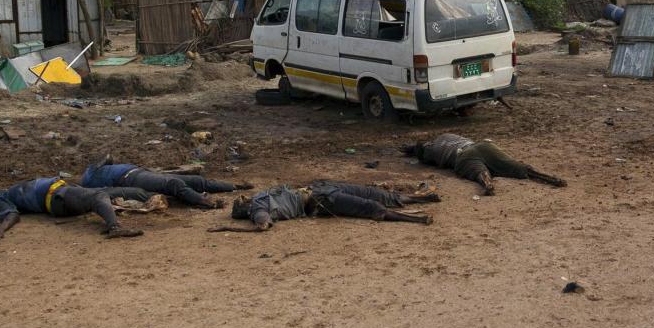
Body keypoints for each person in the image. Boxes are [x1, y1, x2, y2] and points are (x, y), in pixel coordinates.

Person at [0, 177, 149, 240]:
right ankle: (114, 228)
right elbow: (11, 214)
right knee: (99, 196)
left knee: (116, 191)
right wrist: (1, 229)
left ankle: (162, 196)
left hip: (63, 191)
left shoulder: (11, 192)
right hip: (57, 197)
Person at [229, 181, 439, 231]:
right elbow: (263, 224)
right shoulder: (256, 208)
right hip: (320, 202)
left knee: (375, 193)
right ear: (243, 209)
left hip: (320, 189)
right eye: (240, 202)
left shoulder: (260, 197)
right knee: (370, 205)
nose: (242, 198)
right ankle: (416, 219)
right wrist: (258, 221)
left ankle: (421, 199)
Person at [403, 133, 566, 195]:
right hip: (482, 145)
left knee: (478, 171)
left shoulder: (432, 148)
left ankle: (487, 184)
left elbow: (420, 148)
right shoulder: (449, 136)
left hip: (462, 155)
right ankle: (549, 178)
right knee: (514, 165)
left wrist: (410, 150)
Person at [80, 155, 253, 209]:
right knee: (174, 184)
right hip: (132, 178)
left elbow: (107, 159)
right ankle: (207, 202)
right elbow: (106, 159)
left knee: (195, 180)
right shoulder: (88, 177)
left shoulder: (91, 174)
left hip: (141, 172)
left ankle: (233, 187)